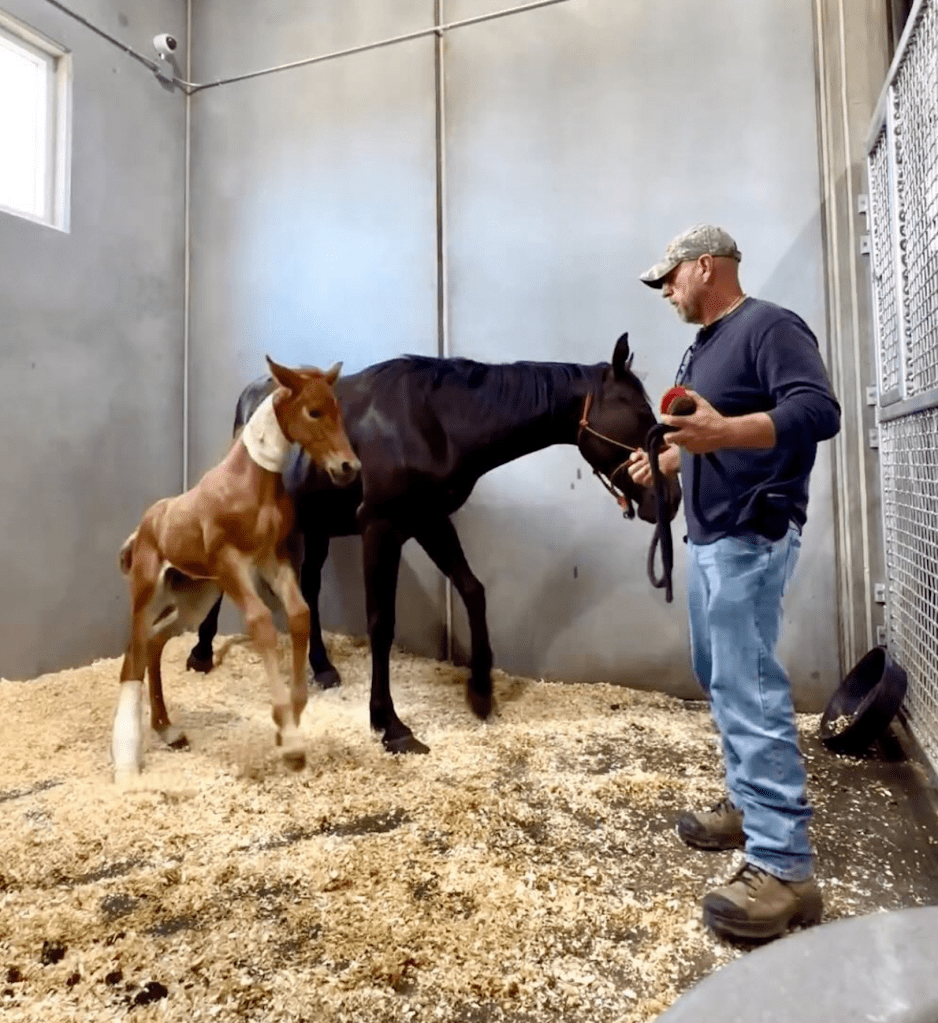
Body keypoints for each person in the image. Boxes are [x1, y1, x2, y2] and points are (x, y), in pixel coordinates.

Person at [627, 224, 842, 942]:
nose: (664, 290)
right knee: (719, 675)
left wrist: (722, 434)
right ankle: (750, 804)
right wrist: (670, 461)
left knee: (748, 686)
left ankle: (785, 868)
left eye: (670, 276)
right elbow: (707, 433)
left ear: (705, 266)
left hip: (753, 530)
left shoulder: (769, 326)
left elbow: (819, 412)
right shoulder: (706, 345)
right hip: (713, 534)